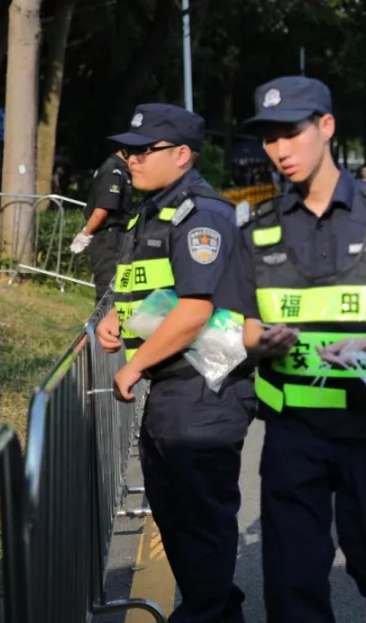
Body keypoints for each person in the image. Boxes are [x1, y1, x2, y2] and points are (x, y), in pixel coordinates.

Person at [237, 76, 366, 623]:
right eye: (270, 138)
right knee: (291, 586)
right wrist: (263, 341)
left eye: (291, 133)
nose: (280, 149)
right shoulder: (258, 228)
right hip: (292, 432)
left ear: (326, 127)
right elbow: (245, 329)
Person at [94, 103, 256, 623]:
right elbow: (156, 287)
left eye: (145, 150)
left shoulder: (200, 214)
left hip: (204, 385)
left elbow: (194, 309)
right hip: (175, 387)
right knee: (175, 510)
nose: (132, 159)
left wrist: (133, 366)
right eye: (129, 150)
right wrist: (117, 317)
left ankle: (206, 612)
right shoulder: (154, 210)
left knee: (199, 516)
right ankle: (217, 608)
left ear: (182, 154)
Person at [70, 148, 133, 301]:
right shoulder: (113, 170)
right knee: (107, 289)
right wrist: (85, 234)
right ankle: (102, 317)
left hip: (113, 237)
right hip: (108, 238)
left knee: (111, 289)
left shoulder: (118, 170)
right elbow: (102, 210)